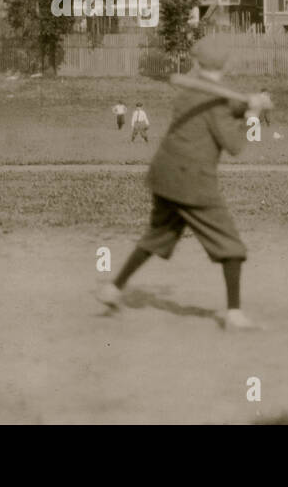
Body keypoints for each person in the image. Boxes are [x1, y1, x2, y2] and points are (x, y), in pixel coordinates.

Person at [97, 39, 270, 330]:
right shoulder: (218, 102)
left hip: (164, 175)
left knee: (156, 236)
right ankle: (234, 314)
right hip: (193, 181)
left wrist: (243, 106)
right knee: (231, 245)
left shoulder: (189, 91)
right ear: (226, 65)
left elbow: (214, 112)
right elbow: (235, 144)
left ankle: (113, 288)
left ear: (198, 63)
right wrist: (252, 113)